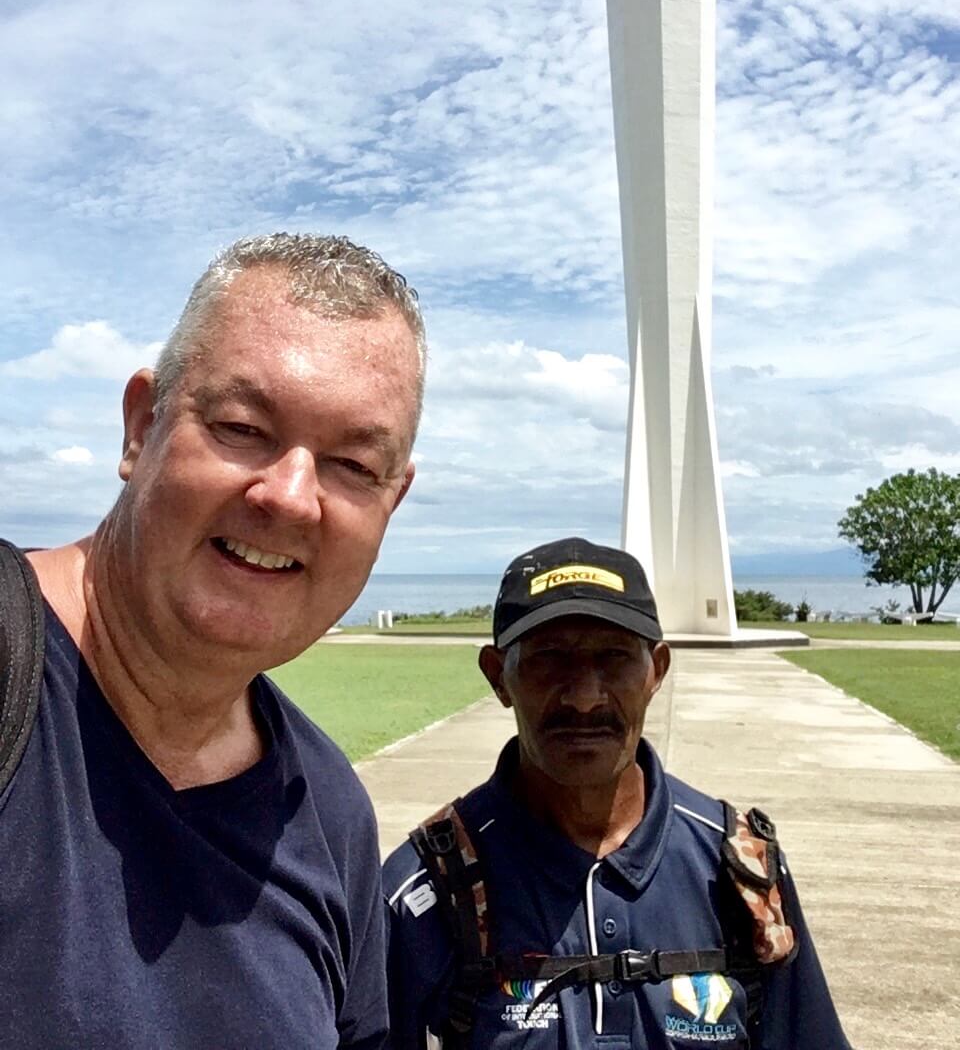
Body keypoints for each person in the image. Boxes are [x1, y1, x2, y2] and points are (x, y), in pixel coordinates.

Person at [1, 232, 425, 1049]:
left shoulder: (331, 818)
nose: (293, 497)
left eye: (352, 465)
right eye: (242, 427)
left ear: (392, 501)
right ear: (140, 427)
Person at [384, 537, 851, 1049]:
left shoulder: (742, 872)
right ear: (498, 677)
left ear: (657, 671)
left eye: (614, 658)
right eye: (549, 658)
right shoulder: (427, 888)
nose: (585, 697)